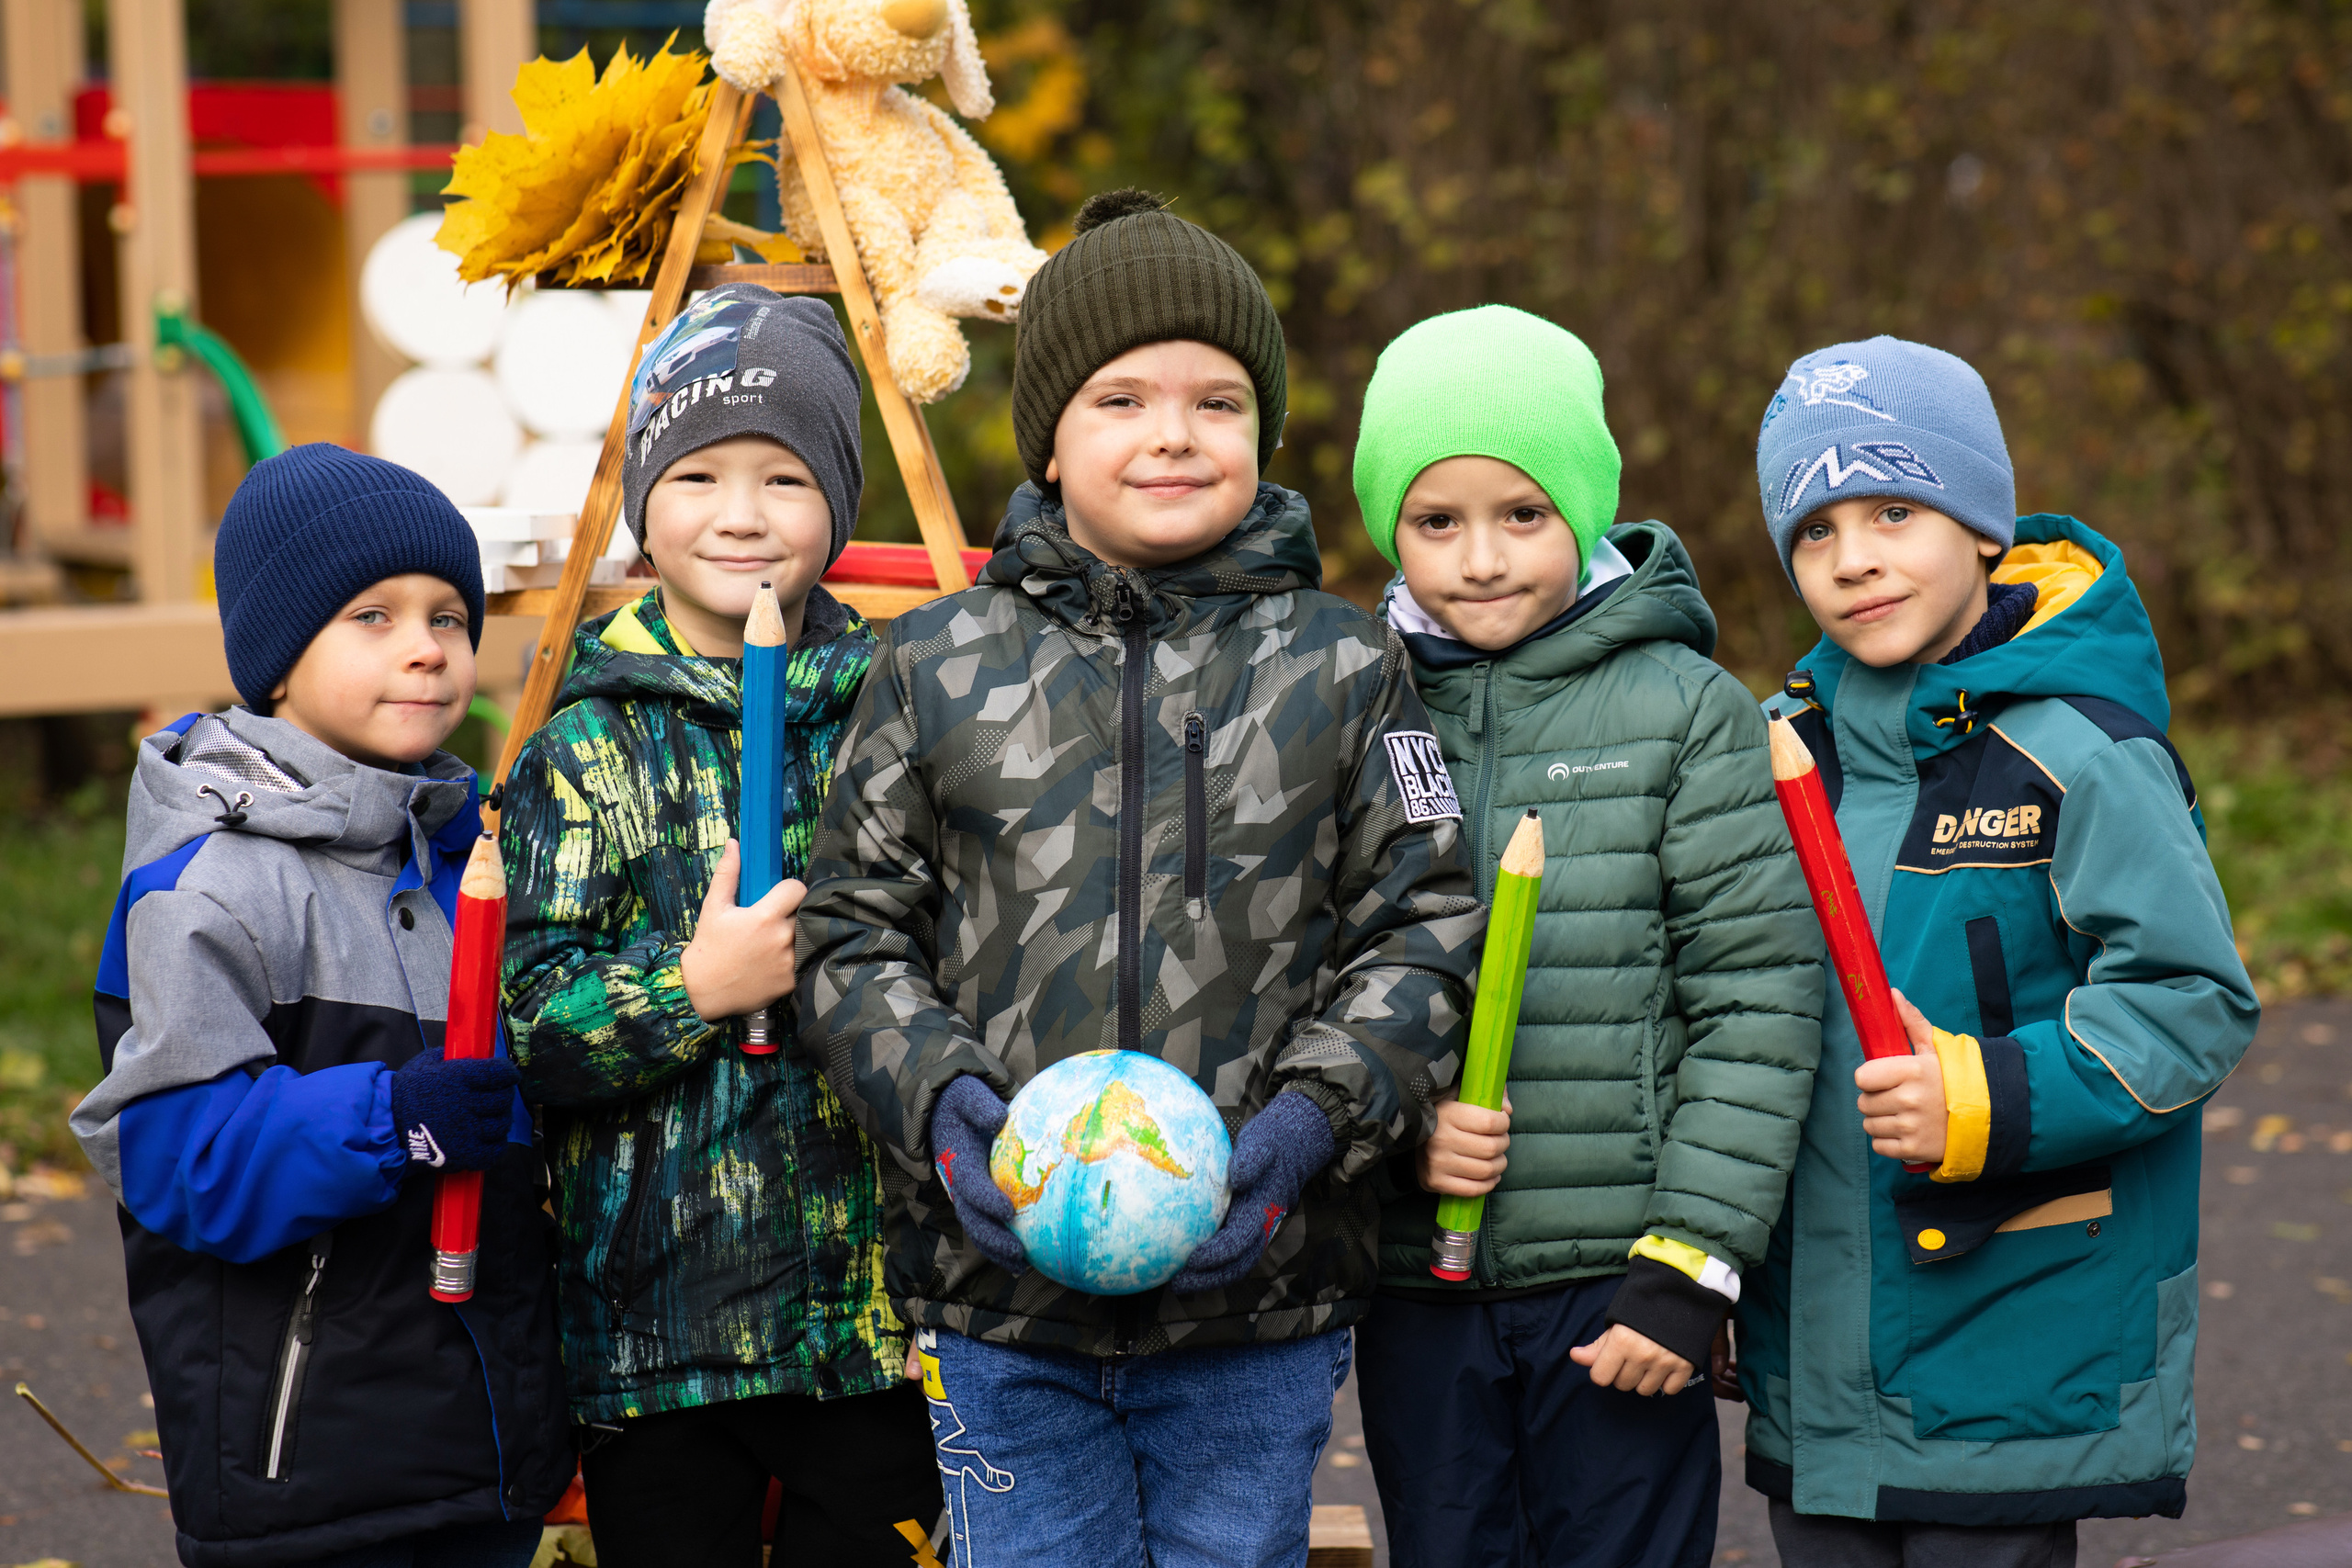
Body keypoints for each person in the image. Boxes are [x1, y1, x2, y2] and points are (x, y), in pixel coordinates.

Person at [794, 188, 1487, 1568]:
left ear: (1263, 435)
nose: (1173, 433)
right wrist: (943, 1109)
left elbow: (1423, 926)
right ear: (1049, 440)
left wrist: (1306, 1132)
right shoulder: (934, 662)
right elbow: (851, 934)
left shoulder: (1345, 664)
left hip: (1257, 1297)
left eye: (1216, 403)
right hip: (1000, 1303)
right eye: (1122, 399)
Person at [1740, 336, 2260, 1565]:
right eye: (1813, 530)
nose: (1853, 557)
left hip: (2013, 1341)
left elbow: (2189, 1000)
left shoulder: (2081, 751)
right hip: (1815, 1361)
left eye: (1894, 509)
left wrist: (1979, 1095)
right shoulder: (1776, 754)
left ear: (1981, 525)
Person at [1341, 305, 1825, 1568]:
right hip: (1418, 1286)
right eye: (1435, 522)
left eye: (1524, 513)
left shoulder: (1685, 710)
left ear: (1586, 508)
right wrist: (1397, 1135)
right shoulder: (1352, 704)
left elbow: (1757, 1000)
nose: (1481, 558)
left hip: (1619, 1282)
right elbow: (1310, 981)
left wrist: (1689, 1266)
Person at [498, 286, 943, 1567]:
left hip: (871, 1323)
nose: (741, 514)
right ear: (644, 503)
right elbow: (532, 1029)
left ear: (838, 503)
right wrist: (694, 985)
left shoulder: (898, 713)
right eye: (696, 475)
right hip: (658, 1334)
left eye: (784, 478)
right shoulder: (585, 744)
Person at [73, 445, 570, 1568]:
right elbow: (181, 1158)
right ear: (278, 660)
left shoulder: (469, 859)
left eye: (449, 616)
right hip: (303, 1471)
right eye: (372, 616)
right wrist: (392, 1120)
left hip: (484, 1452)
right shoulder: (213, 882)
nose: (426, 646)